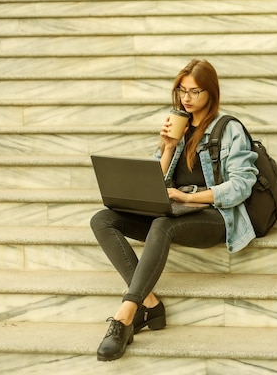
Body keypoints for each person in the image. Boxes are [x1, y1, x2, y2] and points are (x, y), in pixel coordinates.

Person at [90, 59, 258, 361]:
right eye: (182, 91)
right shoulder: (178, 127)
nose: (186, 98)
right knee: (103, 219)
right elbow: (155, 183)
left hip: (215, 217)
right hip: (175, 212)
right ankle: (150, 304)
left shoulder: (228, 129)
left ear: (211, 93)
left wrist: (189, 198)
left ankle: (125, 315)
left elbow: (241, 186)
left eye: (194, 91)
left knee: (162, 225)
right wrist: (168, 147)